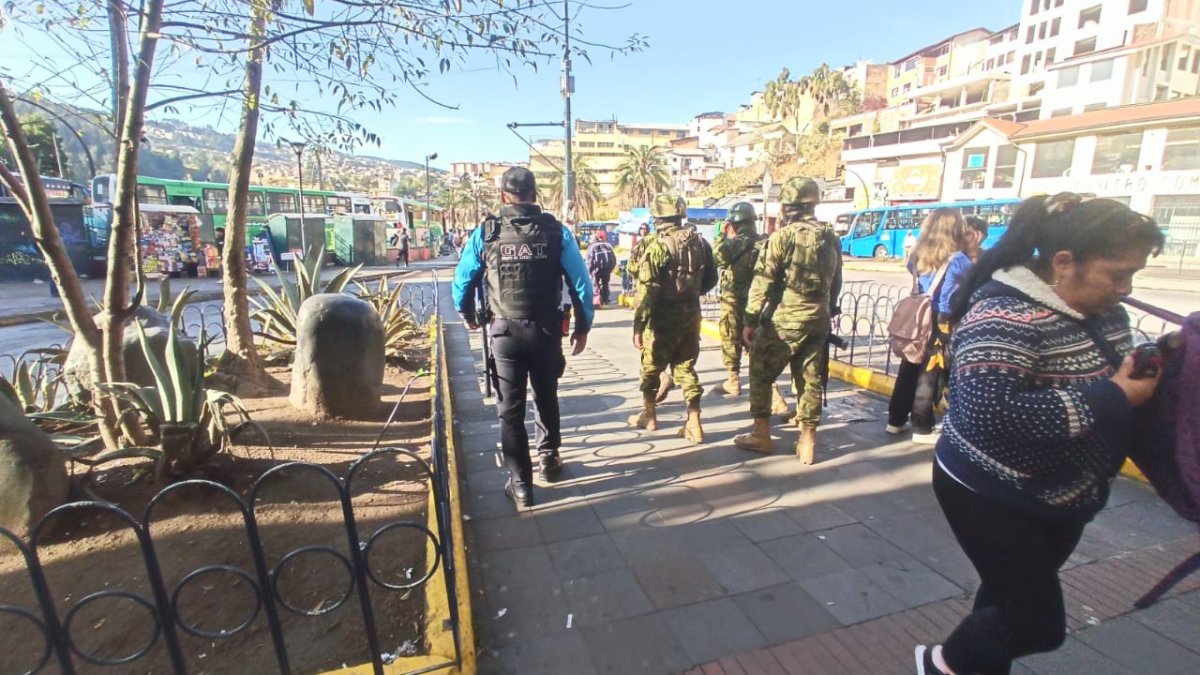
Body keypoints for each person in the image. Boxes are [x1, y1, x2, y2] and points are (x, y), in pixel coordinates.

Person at [914, 193, 1164, 675]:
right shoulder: (1003, 315)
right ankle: (940, 663)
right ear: (1064, 263)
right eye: (1117, 274)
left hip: (1063, 495)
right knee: (1037, 622)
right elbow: (990, 412)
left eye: (1134, 274)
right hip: (990, 490)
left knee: (1003, 604)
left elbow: (1117, 380)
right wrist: (1113, 395)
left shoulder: (1109, 315)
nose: (1126, 288)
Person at [451, 167, 593, 508]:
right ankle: (549, 459)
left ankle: (521, 485)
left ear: (503, 195)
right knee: (546, 396)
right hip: (545, 331)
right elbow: (580, 283)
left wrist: (467, 314)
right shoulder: (557, 232)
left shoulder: (486, 232)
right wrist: (583, 325)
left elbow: (463, 279)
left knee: (509, 411)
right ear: (535, 194)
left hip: (504, 333)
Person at [733, 177, 842, 464]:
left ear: (786, 207)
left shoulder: (782, 237)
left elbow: (763, 281)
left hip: (785, 321)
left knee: (760, 373)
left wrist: (749, 320)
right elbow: (836, 281)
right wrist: (828, 309)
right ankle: (807, 440)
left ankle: (761, 434)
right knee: (810, 378)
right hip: (818, 319)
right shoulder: (830, 237)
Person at [628, 194, 717, 442]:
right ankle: (694, 423)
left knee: (651, 368)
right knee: (685, 367)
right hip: (691, 316)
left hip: (661, 318)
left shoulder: (657, 246)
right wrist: (691, 294)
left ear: (657, 217)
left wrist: (638, 326)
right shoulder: (701, 243)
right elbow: (711, 279)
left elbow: (646, 291)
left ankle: (649, 414)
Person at [885, 208, 969, 444]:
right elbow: (965, 286)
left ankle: (896, 420)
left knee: (910, 365)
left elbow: (913, 272)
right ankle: (922, 427)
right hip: (941, 320)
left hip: (918, 315)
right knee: (930, 372)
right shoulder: (958, 259)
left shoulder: (916, 255)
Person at [713, 201, 761, 396]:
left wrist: (721, 235)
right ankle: (771, 390)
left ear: (733, 224)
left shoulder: (734, 244)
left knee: (730, 336)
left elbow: (716, 256)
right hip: (758, 302)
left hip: (733, 301)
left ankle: (733, 379)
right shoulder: (765, 243)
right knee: (756, 341)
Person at [585, 229, 617, 305]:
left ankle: (597, 301)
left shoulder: (592, 246)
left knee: (595, 284)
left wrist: (589, 270)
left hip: (596, 269)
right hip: (607, 269)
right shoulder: (608, 246)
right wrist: (611, 268)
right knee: (605, 284)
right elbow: (613, 258)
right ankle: (605, 299)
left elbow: (589, 259)